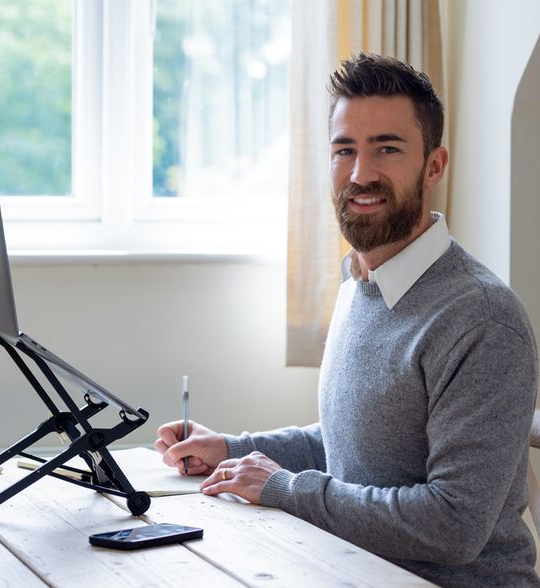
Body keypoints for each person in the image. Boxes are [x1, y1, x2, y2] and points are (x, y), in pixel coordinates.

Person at [155, 52, 539, 587]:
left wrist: (286, 487)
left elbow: (453, 525)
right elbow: (360, 448)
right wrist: (233, 450)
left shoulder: (481, 319)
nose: (360, 174)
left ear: (434, 166)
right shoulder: (360, 283)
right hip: (348, 566)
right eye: (344, 150)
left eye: (387, 148)